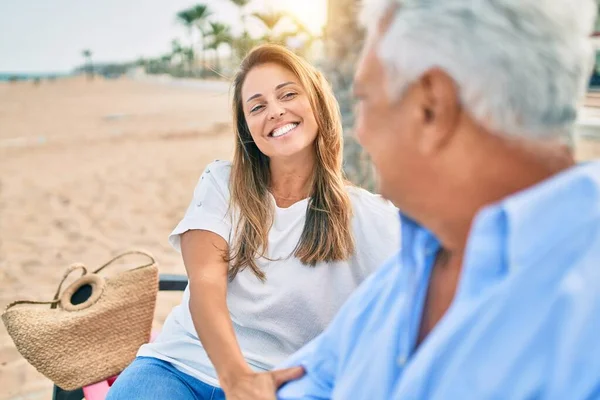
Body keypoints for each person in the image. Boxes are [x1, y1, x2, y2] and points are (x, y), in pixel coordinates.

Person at [275, 0, 600, 398]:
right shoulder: (412, 268)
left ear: (432, 106)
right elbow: (295, 386)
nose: (359, 131)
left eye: (364, 100)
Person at [106, 44, 399, 400]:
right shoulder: (222, 183)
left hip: (283, 388)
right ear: (248, 129)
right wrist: (236, 379)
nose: (275, 111)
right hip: (178, 368)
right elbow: (205, 283)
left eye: (288, 94)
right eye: (257, 106)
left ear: (318, 104)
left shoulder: (370, 216)